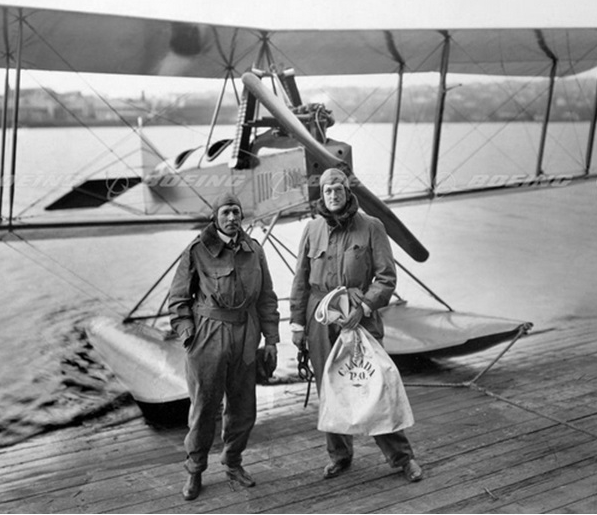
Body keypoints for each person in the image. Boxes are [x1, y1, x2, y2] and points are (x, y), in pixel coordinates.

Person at [289, 168, 423, 483]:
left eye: (338, 189)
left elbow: (386, 277)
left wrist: (363, 306)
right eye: (327, 191)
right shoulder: (312, 229)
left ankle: (402, 458)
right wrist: (297, 324)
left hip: (360, 317)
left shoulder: (372, 227)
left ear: (348, 192)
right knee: (330, 388)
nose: (333, 195)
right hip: (321, 319)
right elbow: (300, 281)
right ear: (321, 195)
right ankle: (340, 456)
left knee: (374, 387)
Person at [168, 192, 280, 501]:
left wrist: (270, 338)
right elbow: (178, 300)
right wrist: (189, 335)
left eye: (236, 212)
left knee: (243, 408)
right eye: (226, 212)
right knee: (204, 407)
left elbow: (266, 297)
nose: (232, 218)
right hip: (208, 336)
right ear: (215, 217)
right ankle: (195, 470)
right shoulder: (196, 250)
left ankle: (233, 462)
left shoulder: (254, 250)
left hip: (246, 333)